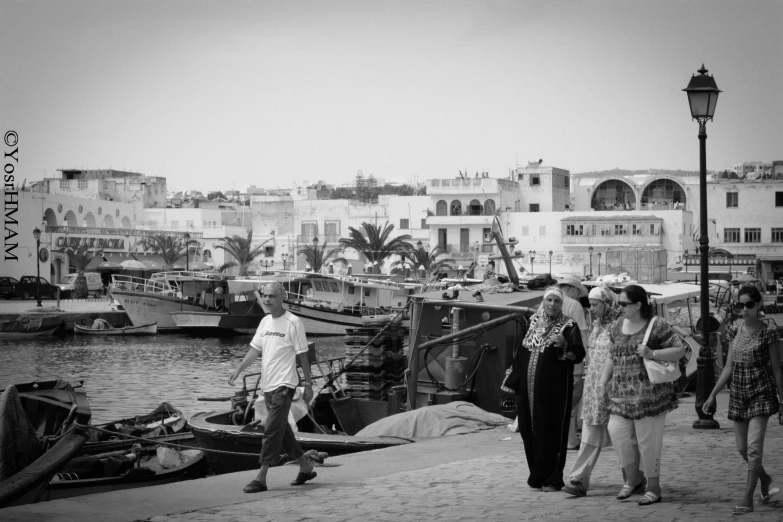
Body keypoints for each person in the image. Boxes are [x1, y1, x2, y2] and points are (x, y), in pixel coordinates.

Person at [599, 284, 685, 506]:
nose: (620, 308)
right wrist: (602, 383)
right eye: (619, 303)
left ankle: (653, 487)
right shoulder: (616, 326)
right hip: (619, 394)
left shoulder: (657, 325)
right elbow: (611, 356)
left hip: (650, 396)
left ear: (638, 304)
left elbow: (680, 350)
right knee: (617, 434)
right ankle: (632, 479)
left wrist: (652, 352)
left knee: (648, 442)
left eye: (624, 304)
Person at [228, 282, 317, 493]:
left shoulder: (293, 323)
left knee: (271, 429)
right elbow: (254, 350)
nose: (267, 300)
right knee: (282, 430)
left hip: (285, 385)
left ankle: (261, 476)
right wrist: (239, 369)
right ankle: (305, 466)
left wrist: (308, 384)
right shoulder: (265, 322)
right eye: (265, 296)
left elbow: (303, 356)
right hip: (268, 386)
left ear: (282, 298)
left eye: (272, 296)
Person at [703, 286, 783, 515]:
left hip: (761, 391)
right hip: (739, 392)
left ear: (758, 305)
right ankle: (765, 479)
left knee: (754, 448)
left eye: (749, 304)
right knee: (741, 448)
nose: (745, 309)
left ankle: (747, 497)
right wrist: (712, 394)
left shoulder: (768, 333)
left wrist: (782, 402)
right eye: (741, 305)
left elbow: (777, 369)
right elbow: (728, 367)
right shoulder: (734, 331)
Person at [517, 286, 586, 491]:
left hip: (554, 391)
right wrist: (513, 380)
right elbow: (521, 353)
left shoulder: (568, 325)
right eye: (549, 301)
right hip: (529, 390)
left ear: (561, 304)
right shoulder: (532, 322)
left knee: (552, 431)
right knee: (530, 430)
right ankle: (537, 475)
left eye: (557, 301)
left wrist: (564, 344)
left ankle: (553, 478)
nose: (552, 305)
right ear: (543, 302)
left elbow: (578, 354)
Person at [563, 285, 623, 497]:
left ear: (607, 304)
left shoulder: (620, 326)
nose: (592, 309)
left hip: (616, 389)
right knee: (590, 433)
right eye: (590, 304)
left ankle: (636, 477)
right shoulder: (596, 325)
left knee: (626, 437)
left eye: (596, 305)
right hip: (594, 389)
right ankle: (578, 478)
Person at [548, 275, 590, 450]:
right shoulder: (575, 305)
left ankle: (555, 438)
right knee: (572, 399)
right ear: (573, 289)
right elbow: (582, 333)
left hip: (551, 359)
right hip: (571, 358)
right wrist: (587, 357)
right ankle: (570, 440)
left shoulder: (548, 302)